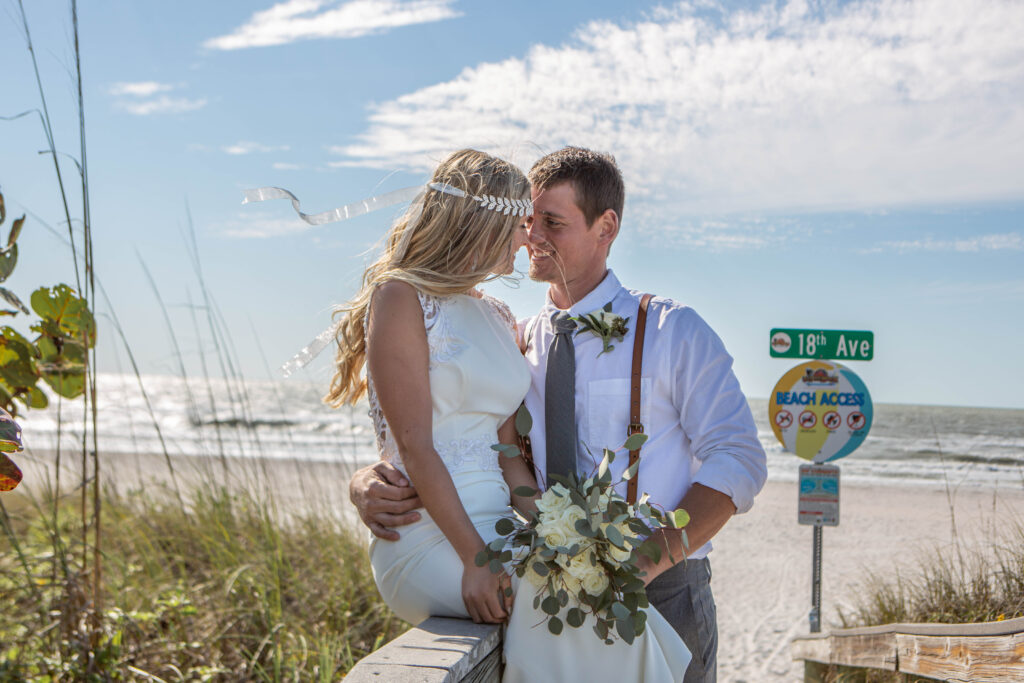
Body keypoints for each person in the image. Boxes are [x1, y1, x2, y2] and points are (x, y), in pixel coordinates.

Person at [349, 146, 768, 683]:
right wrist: (366, 481)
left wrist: (642, 563)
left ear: (605, 226)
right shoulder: (515, 336)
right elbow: (448, 430)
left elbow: (738, 460)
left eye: (552, 222)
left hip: (666, 587)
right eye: (526, 221)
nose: (531, 236)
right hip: (541, 570)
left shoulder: (671, 331)